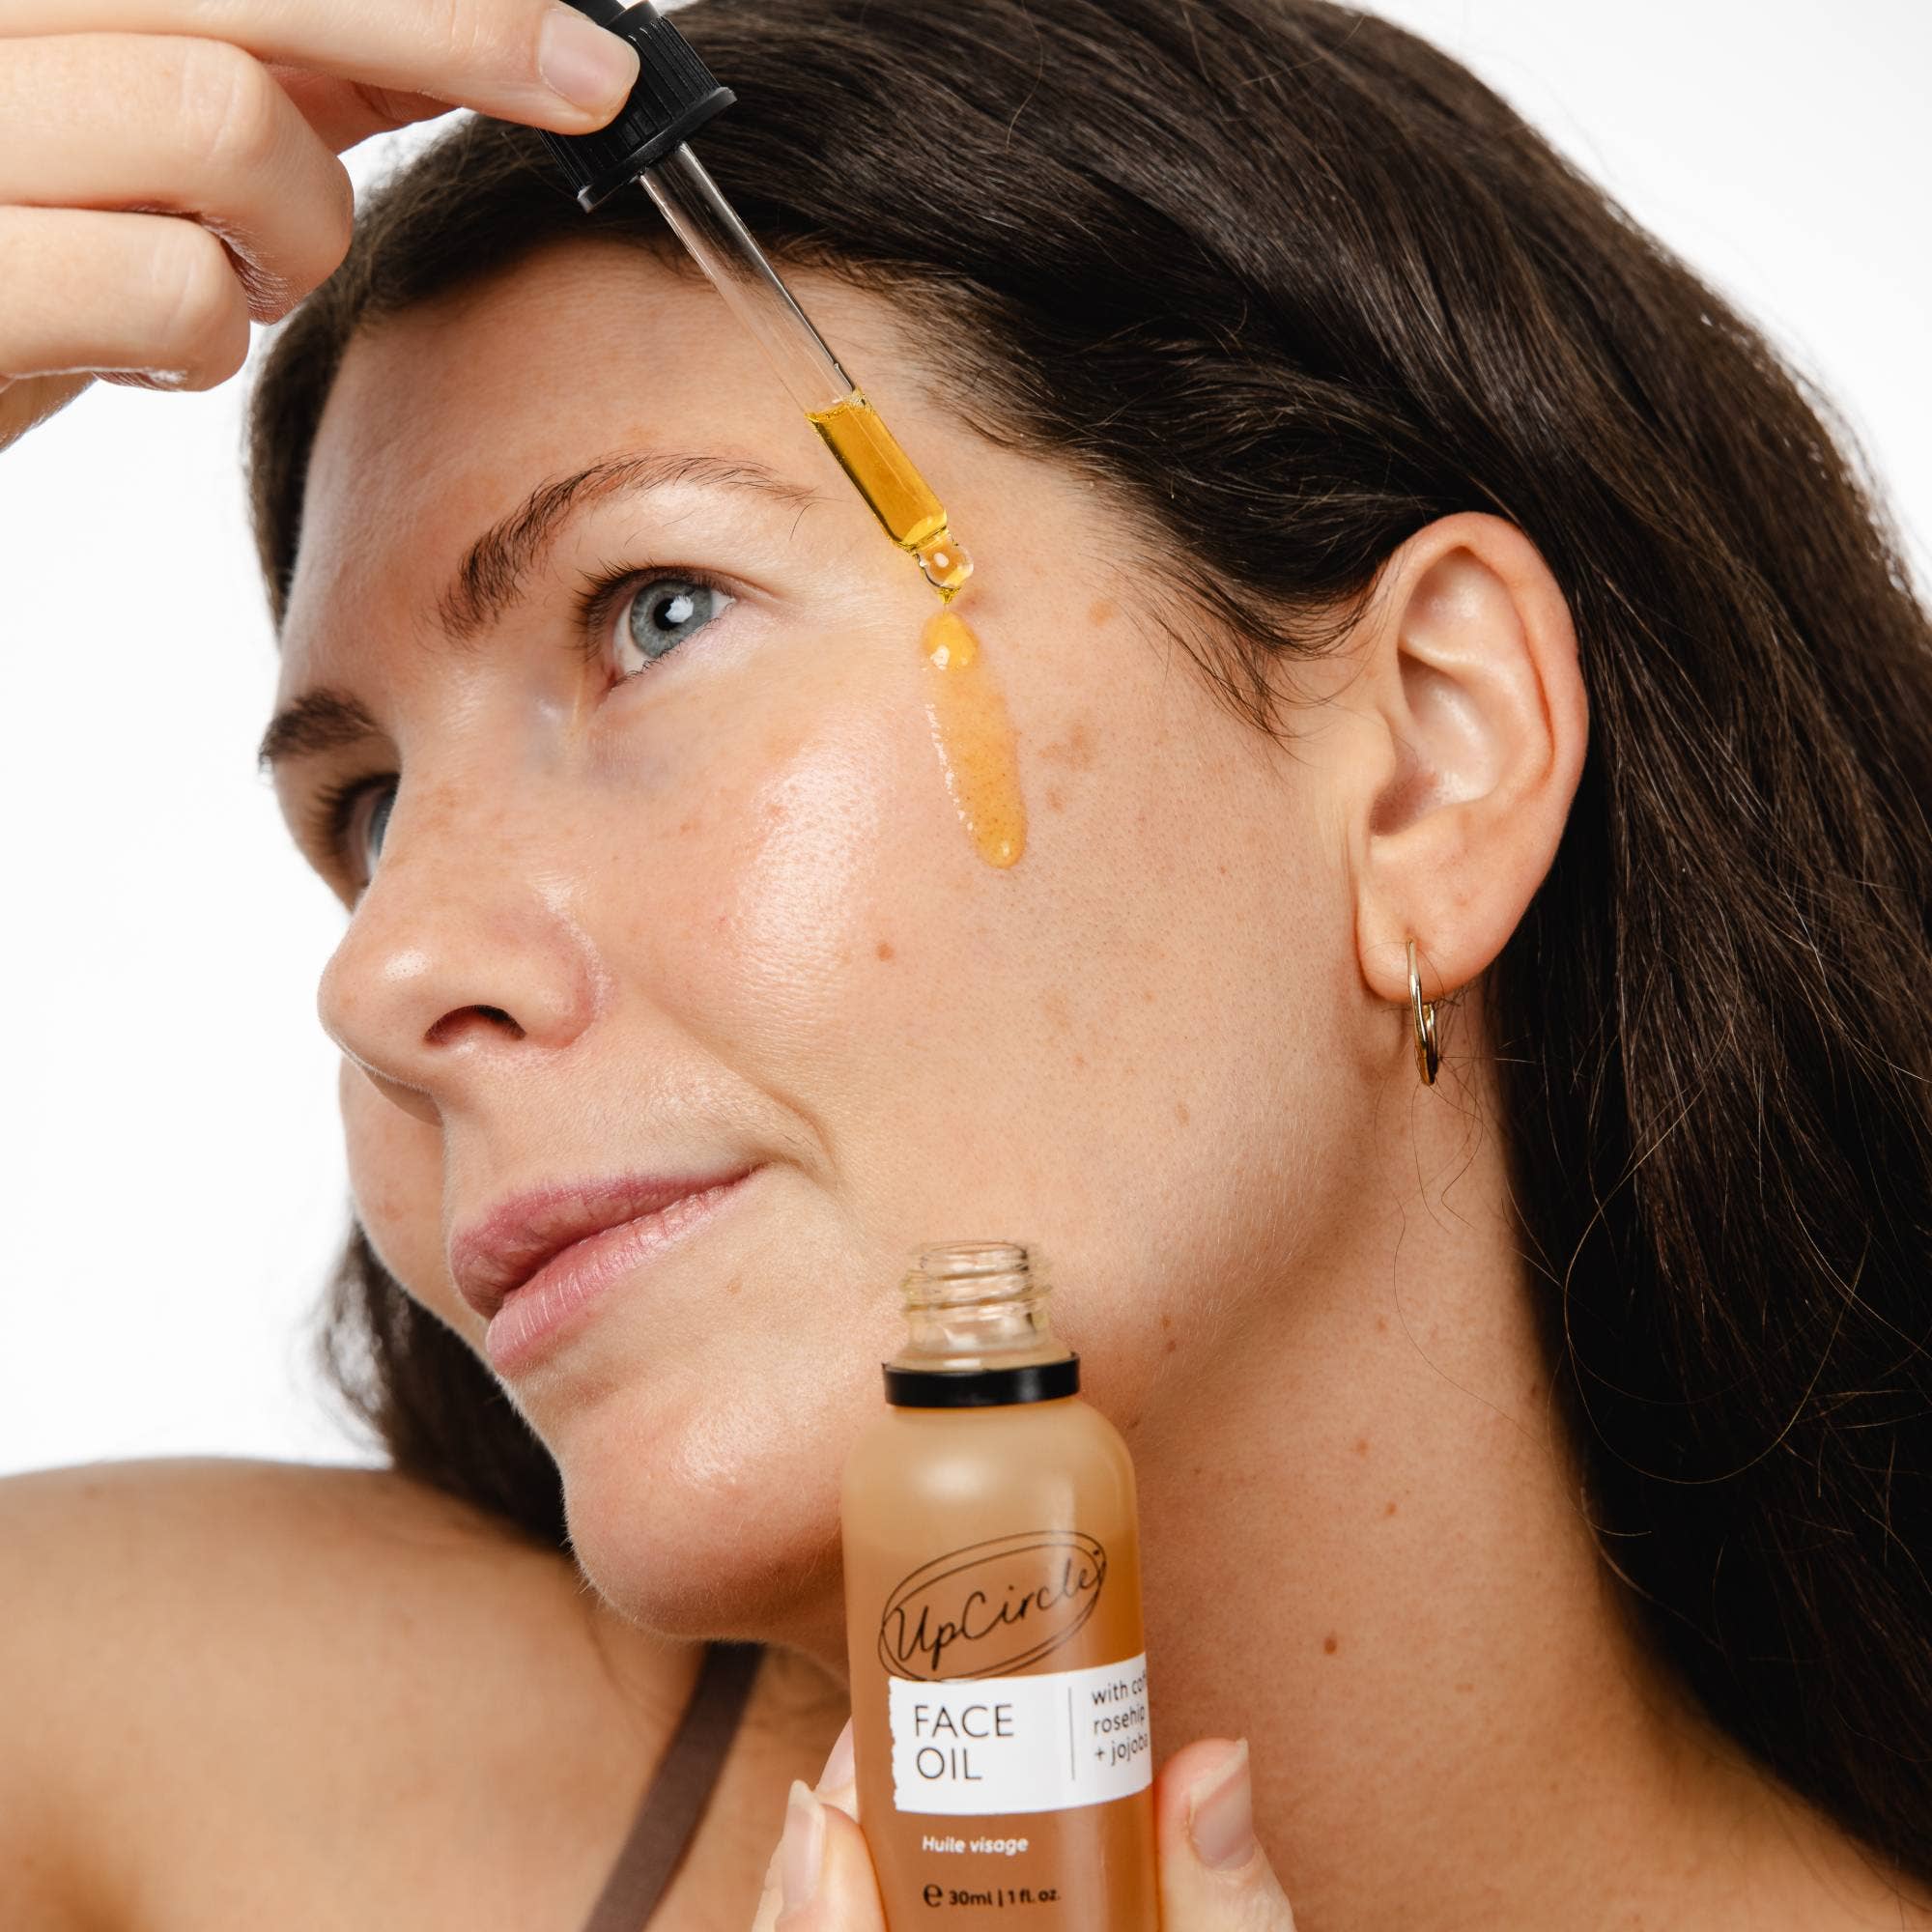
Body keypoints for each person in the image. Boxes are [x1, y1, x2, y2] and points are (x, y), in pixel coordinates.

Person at [5, 0, 1929, 1926]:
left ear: (1431, 756)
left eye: (655, 611)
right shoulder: (148, 1772)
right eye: (364, 812)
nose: (387, 972)